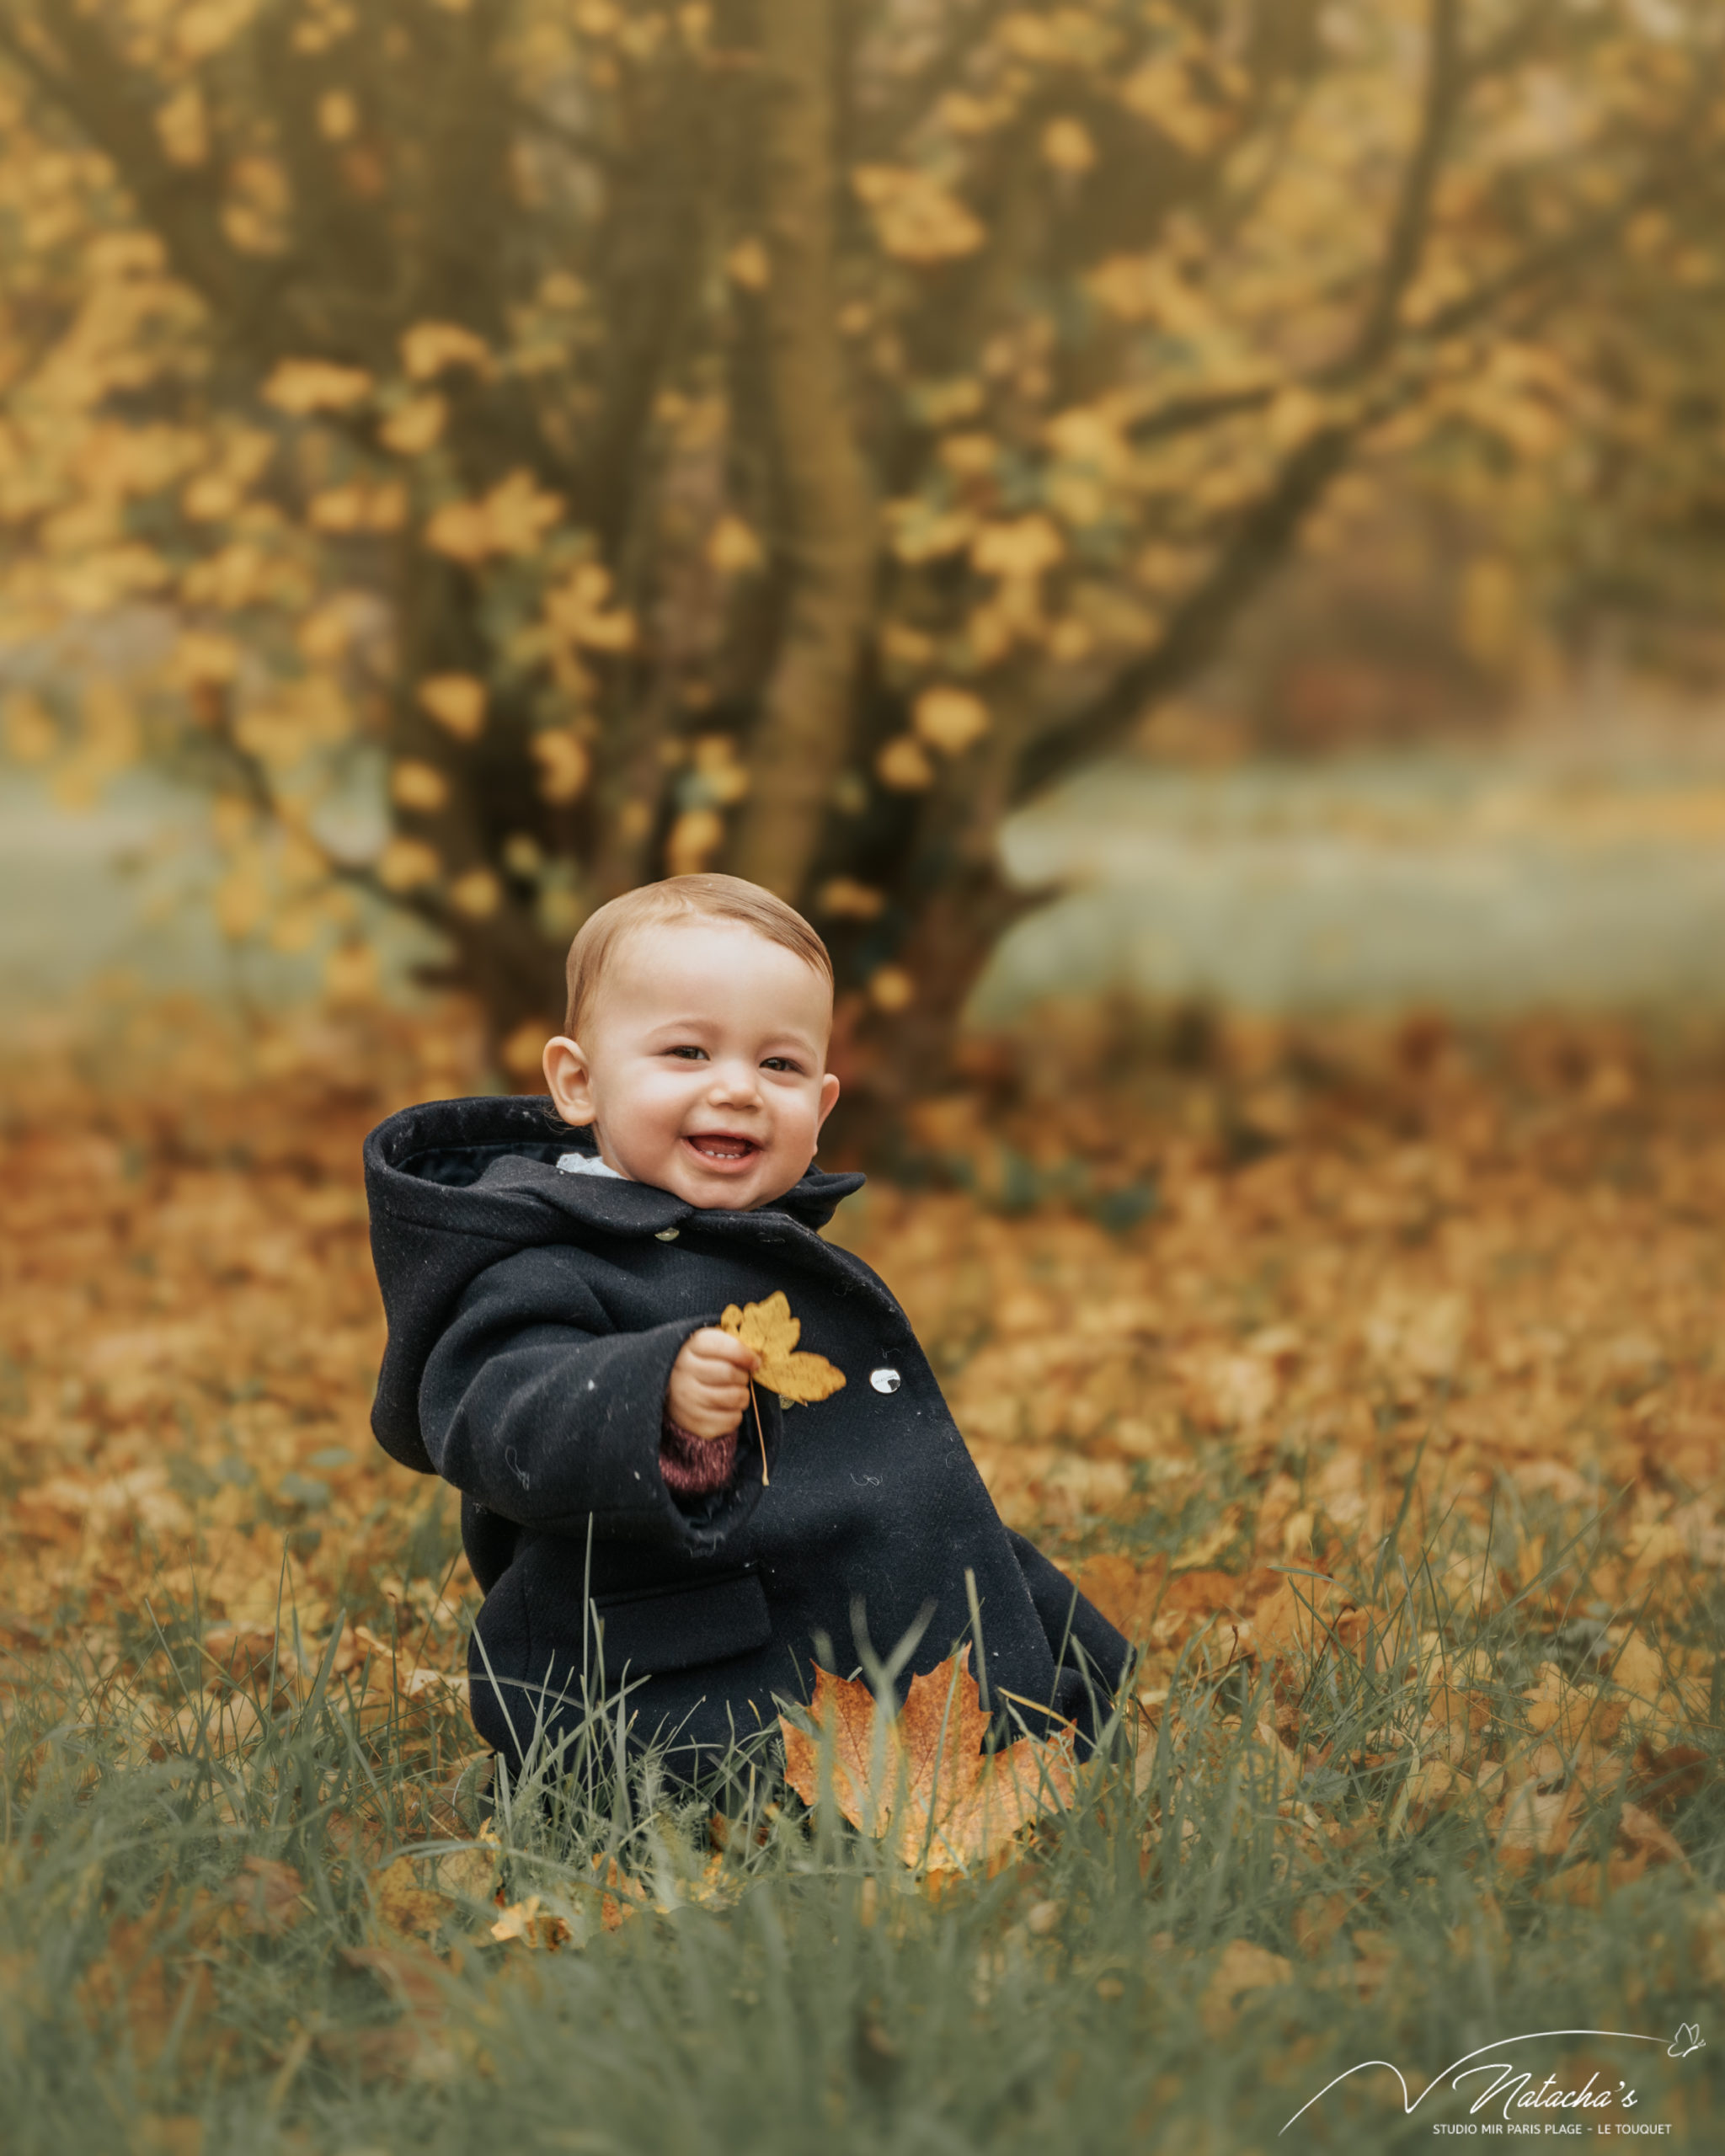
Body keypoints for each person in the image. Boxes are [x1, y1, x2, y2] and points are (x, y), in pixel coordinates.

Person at [363, 873, 1128, 1790]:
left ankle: (1040, 1729)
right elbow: (496, 1415)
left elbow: (912, 1492)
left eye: (779, 1066)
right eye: (687, 1052)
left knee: (1025, 1624)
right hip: (687, 1691)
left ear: (825, 1102)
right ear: (578, 1081)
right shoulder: (542, 1257)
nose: (737, 1090)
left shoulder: (773, 1246)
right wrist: (650, 1399)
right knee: (713, 1787)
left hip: (865, 1625)